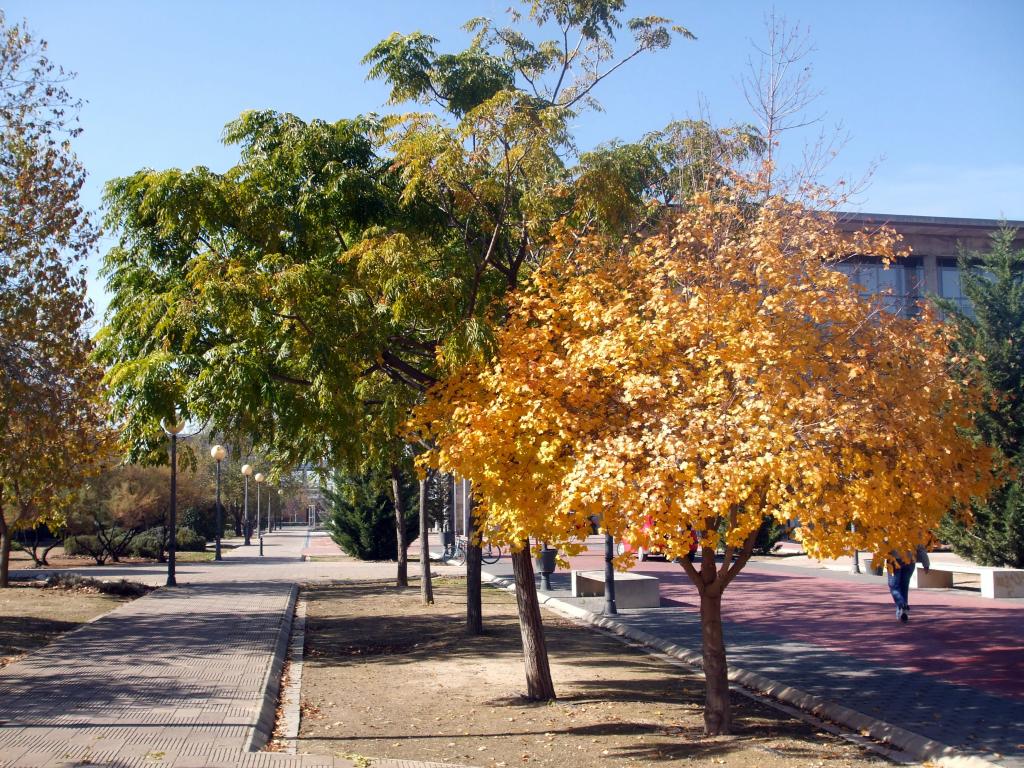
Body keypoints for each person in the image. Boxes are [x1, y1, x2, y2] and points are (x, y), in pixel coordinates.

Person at [888, 544, 930, 623]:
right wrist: (926, 563)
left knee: (894, 585)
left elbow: (882, 544)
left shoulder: (890, 531)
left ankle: (902, 605)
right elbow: (920, 546)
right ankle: (903, 611)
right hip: (910, 560)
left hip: (895, 559)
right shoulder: (915, 531)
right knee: (904, 586)